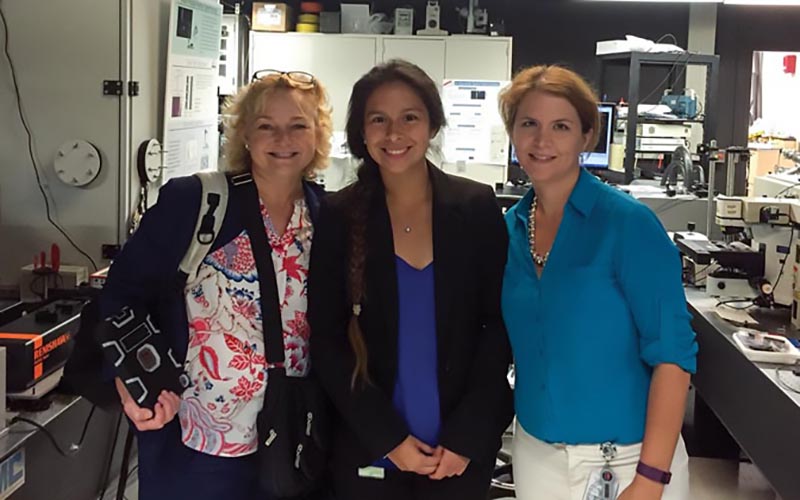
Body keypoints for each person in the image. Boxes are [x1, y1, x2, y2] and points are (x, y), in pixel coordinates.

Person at [98, 70, 332, 500]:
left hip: (295, 434)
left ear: (318, 134)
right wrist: (128, 382)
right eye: (266, 126)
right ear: (244, 133)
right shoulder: (197, 202)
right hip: (197, 440)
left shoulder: (328, 216)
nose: (283, 138)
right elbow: (120, 295)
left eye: (298, 124)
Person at [307, 59, 514, 500]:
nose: (394, 133)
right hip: (370, 448)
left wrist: (469, 437)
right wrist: (387, 439)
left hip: (457, 454)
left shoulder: (475, 206)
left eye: (410, 117)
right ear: (361, 131)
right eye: (378, 119)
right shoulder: (340, 215)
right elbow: (326, 339)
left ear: (433, 125)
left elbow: (498, 328)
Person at [499, 64, 697, 500]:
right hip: (536, 456)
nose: (541, 141)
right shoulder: (510, 229)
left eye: (561, 126)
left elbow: (673, 356)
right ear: (512, 132)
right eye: (528, 123)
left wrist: (650, 478)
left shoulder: (628, 225)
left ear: (587, 137)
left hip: (628, 462)